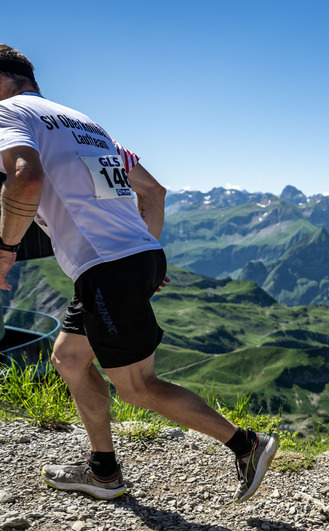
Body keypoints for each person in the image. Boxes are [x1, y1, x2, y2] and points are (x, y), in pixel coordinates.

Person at [0, 44, 277, 503]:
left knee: (137, 387)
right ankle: (103, 471)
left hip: (108, 268)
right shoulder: (86, 125)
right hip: (133, 258)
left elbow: (25, 179)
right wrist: (142, 250)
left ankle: (246, 445)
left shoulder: (10, 115)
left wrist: (6, 248)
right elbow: (154, 190)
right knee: (69, 358)